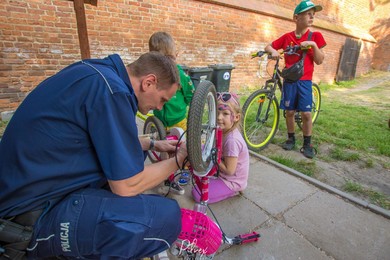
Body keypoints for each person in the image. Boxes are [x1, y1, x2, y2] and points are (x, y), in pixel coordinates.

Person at [0, 52, 188, 259]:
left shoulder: (96, 72)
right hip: (27, 218)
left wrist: (150, 143)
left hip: (19, 191)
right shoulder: (113, 93)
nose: (160, 108)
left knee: (136, 155)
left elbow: (90, 137)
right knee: (166, 218)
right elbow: (127, 185)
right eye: (162, 99)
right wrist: (179, 160)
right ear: (149, 82)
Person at [265, 0, 326, 159]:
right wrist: (273, 51)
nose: (311, 17)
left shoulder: (315, 36)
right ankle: (291, 138)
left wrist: (313, 45)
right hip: (290, 80)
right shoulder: (287, 37)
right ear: (296, 17)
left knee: (306, 114)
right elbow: (269, 46)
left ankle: (307, 143)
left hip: (305, 81)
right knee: (290, 112)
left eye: (313, 15)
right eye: (308, 14)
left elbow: (319, 60)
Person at [148, 31, 195, 194]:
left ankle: (185, 172)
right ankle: (168, 178)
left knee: (183, 148)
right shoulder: (153, 75)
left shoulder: (179, 73)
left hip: (179, 120)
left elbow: (190, 94)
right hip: (160, 121)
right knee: (164, 149)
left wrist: (186, 107)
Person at [192, 92, 249, 204]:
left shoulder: (232, 141)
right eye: (217, 112)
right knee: (201, 150)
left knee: (198, 194)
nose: (219, 117)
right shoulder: (222, 130)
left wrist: (213, 155)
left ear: (236, 117)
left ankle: (234, 191)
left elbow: (230, 170)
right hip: (221, 172)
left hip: (231, 181)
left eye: (225, 113)